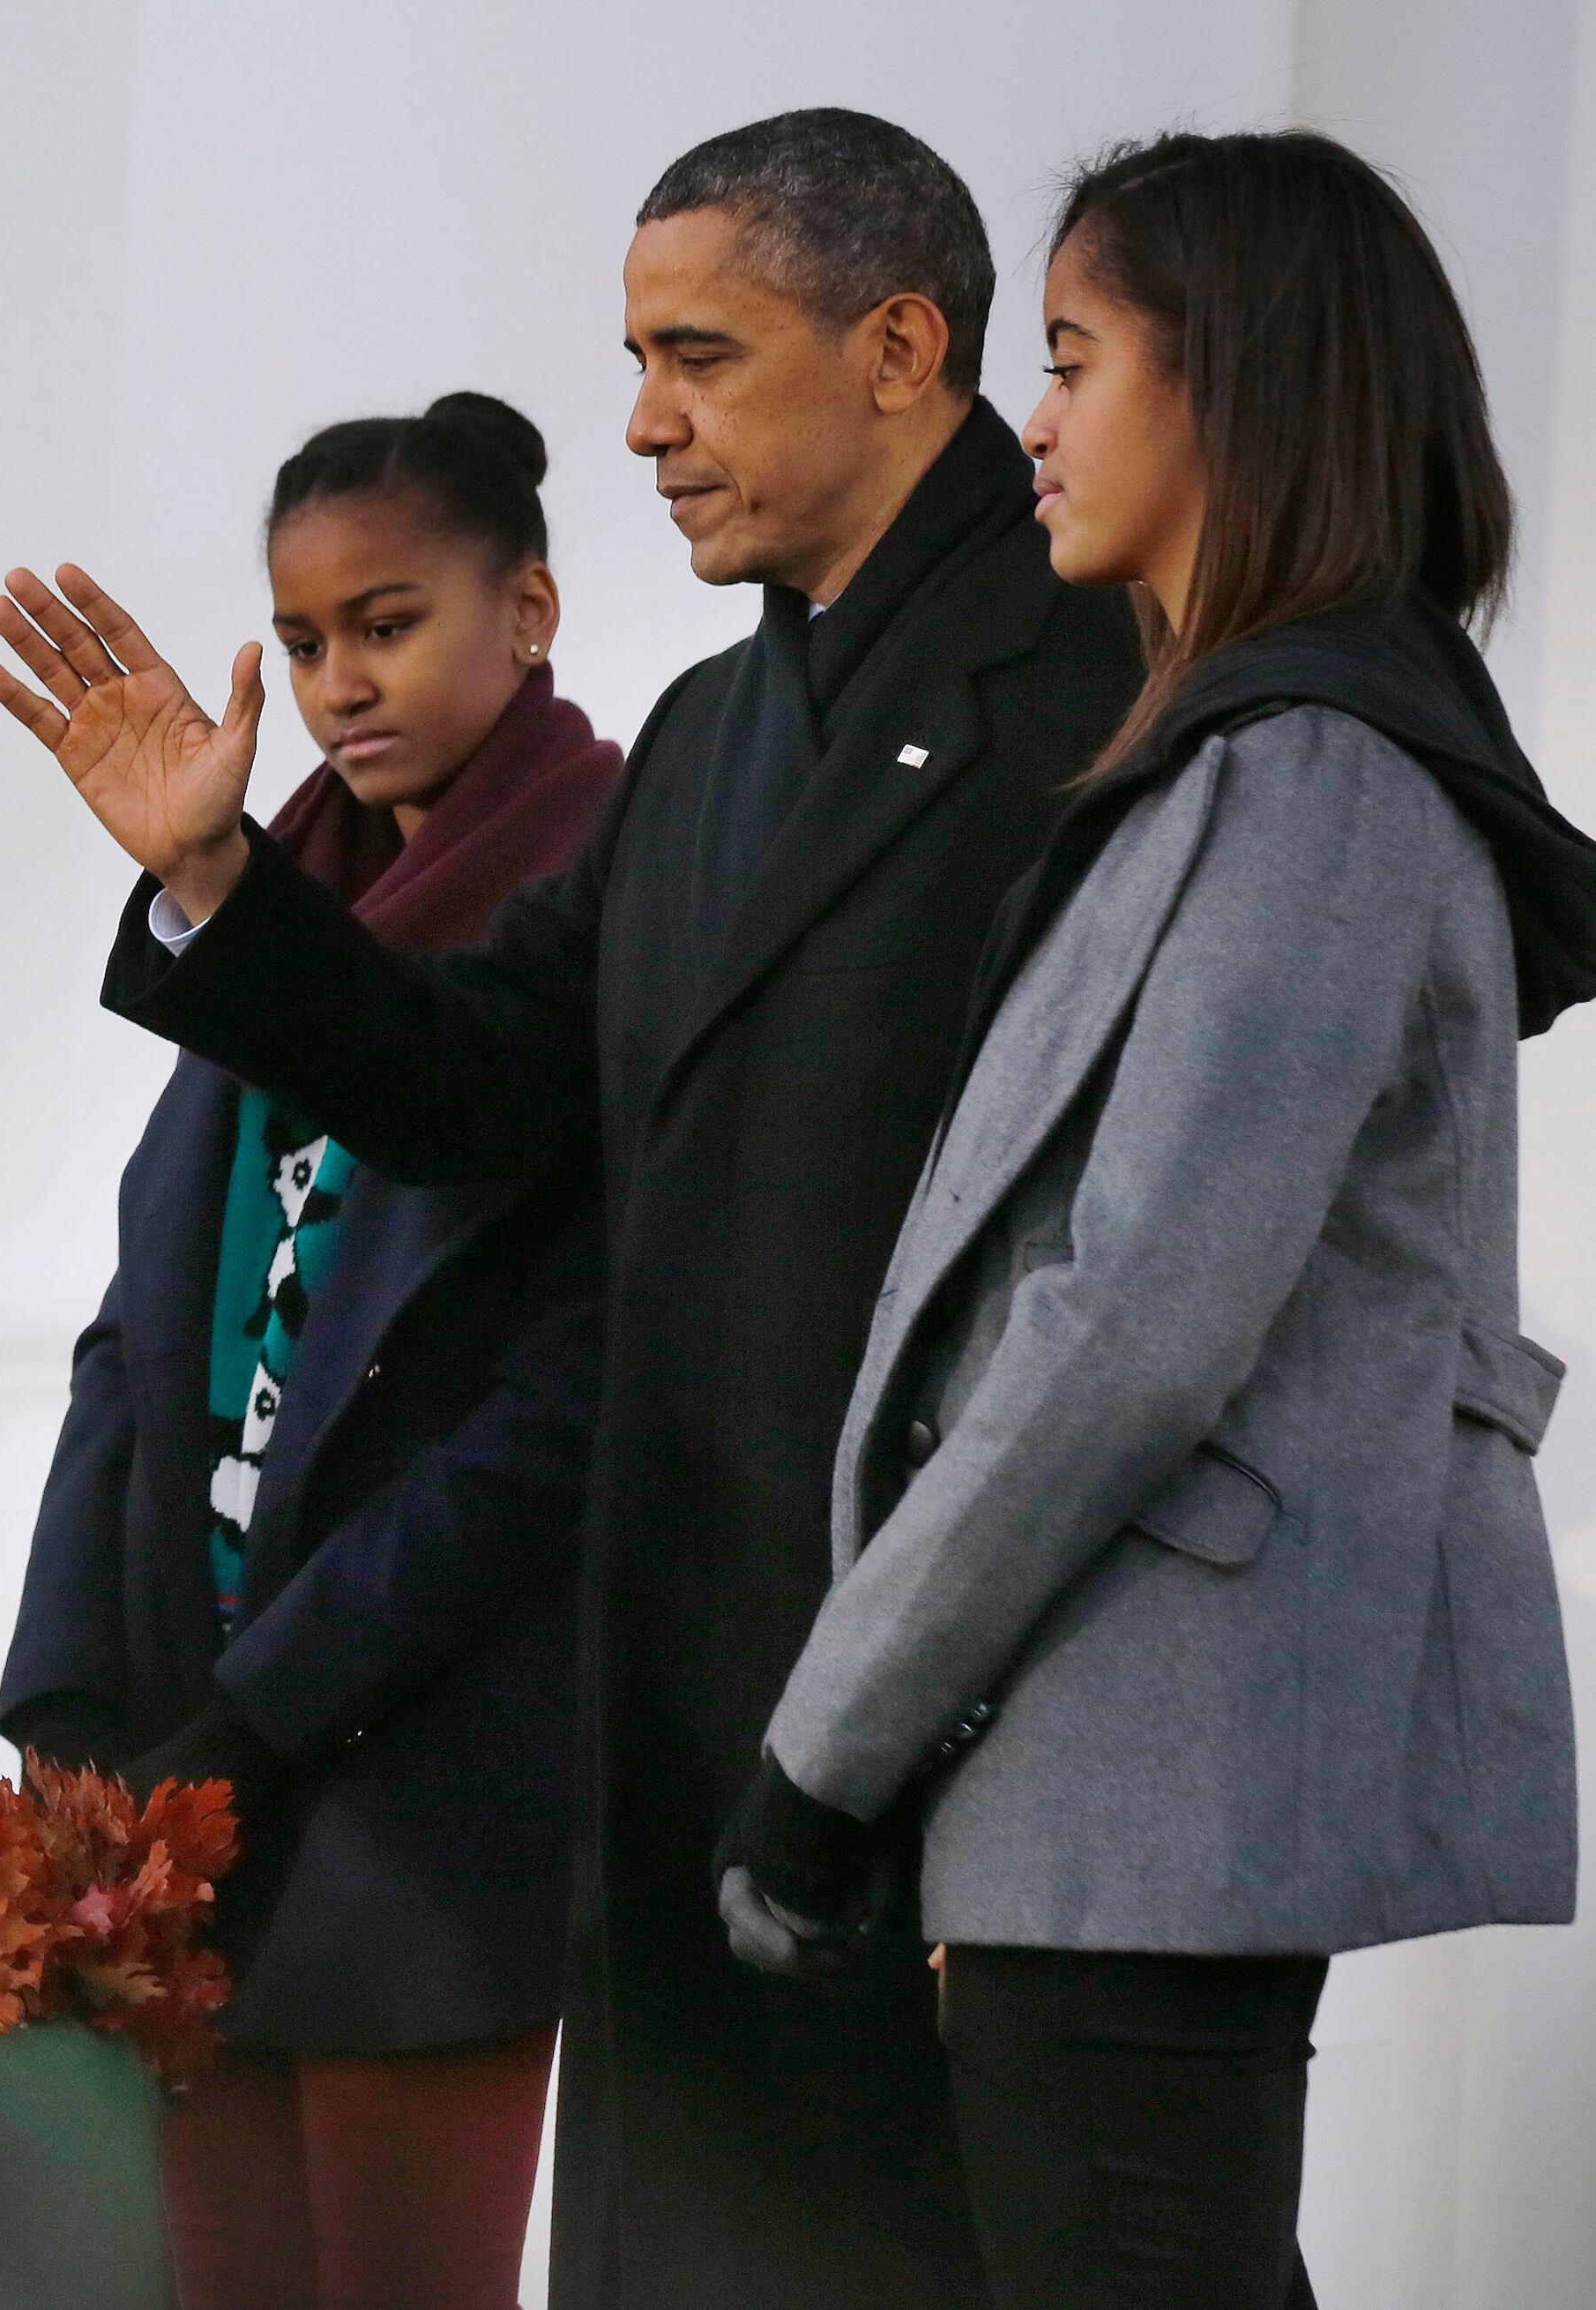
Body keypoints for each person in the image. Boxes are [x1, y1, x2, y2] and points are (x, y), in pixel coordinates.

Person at [0, 112, 1145, 2307]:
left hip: (962, 1710)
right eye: (637, 356)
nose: (641, 423)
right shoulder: (718, 728)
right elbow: (471, 1079)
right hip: (690, 1693)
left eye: (696, 355)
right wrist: (216, 878)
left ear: (900, 347)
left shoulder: (1096, 684)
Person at [720, 129, 1596, 2310]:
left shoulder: (1310, 771)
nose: (1036, 415)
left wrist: (829, 1750)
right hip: (1109, 1771)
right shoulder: (1270, 753)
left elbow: (1132, 1321)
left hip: (1149, 1779)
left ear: (1243, 389)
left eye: (1081, 355)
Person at [0, 393, 613, 2310]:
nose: (345, 680)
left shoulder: (599, 897)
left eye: (395, 620)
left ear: (532, 610)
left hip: (420, 1793)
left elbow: (552, 1413)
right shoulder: (280, 893)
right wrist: (69, 1703)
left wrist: (273, 1714)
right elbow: (140, 1322)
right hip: (207, 1770)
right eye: (312, 633)